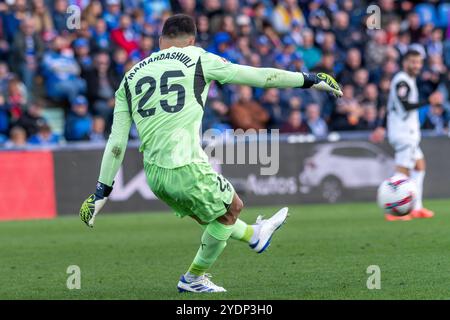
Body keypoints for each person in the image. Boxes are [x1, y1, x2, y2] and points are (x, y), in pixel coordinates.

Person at [79, 14, 342, 293]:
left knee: (214, 217)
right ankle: (193, 278)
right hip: (184, 165)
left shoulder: (130, 77)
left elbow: (116, 143)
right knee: (232, 208)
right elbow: (262, 77)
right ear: (191, 41)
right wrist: (309, 79)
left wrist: (101, 191)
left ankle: (255, 235)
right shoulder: (198, 58)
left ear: (160, 41)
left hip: (154, 174)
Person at [374, 50, 434, 221]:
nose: (416, 65)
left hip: (408, 132)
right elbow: (405, 105)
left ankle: (417, 208)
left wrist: (382, 126)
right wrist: (429, 101)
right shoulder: (402, 81)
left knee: (419, 166)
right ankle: (393, 211)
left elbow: (391, 106)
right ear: (405, 63)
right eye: (413, 62)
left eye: (419, 62)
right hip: (404, 133)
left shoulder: (407, 80)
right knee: (402, 171)